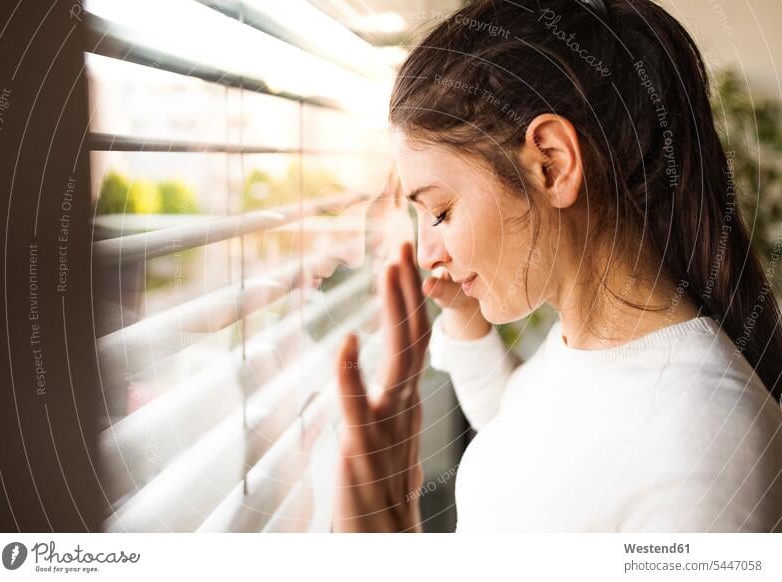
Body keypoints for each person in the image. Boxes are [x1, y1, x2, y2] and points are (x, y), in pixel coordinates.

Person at [331, 0, 782, 532]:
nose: (430, 254)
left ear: (551, 164)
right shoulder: (586, 343)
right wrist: (467, 329)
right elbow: (540, 457)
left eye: (442, 211)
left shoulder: (701, 450)